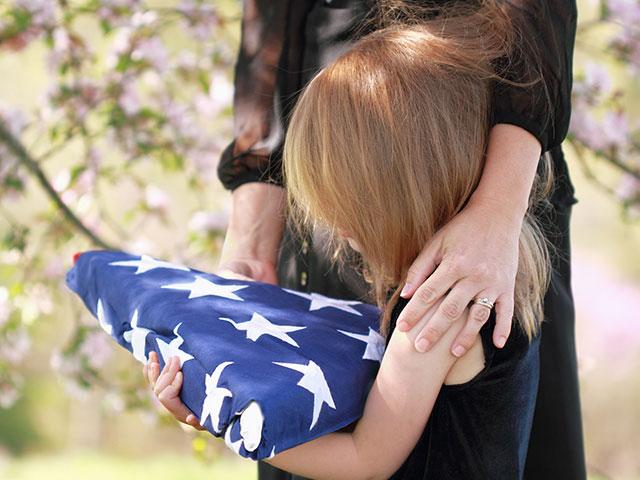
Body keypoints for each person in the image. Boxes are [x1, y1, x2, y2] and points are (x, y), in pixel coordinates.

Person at [143, 4, 557, 477]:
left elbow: (364, 459)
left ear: (396, 196)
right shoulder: (500, 277)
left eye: (344, 203)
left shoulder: (435, 313)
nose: (335, 227)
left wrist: (224, 419)